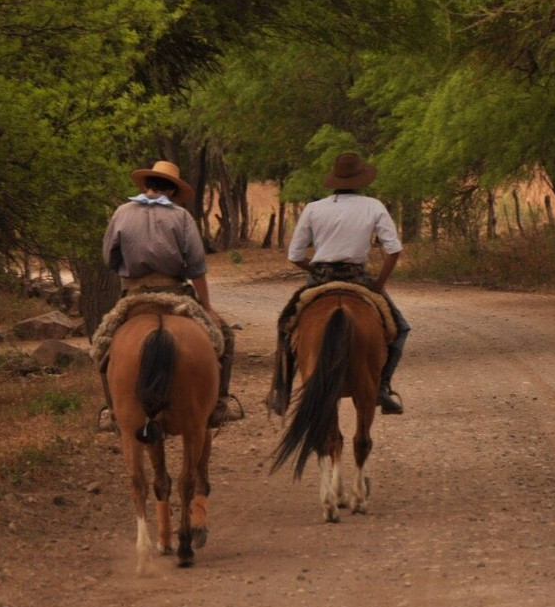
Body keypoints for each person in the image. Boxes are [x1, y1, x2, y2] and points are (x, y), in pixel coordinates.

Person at [268, 152, 410, 415]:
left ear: (334, 180)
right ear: (361, 180)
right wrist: (378, 284)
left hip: (320, 278)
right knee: (400, 328)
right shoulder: (373, 206)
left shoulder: (314, 209)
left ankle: (282, 392)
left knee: (285, 327)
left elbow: (295, 256)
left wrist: (316, 269)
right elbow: (393, 250)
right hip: (357, 277)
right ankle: (382, 387)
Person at [100, 160, 238, 426]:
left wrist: (130, 272)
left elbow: (109, 258)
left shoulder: (121, 212)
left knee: (102, 346)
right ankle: (219, 404)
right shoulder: (181, 217)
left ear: (147, 185)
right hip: (174, 293)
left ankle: (112, 411)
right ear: (173, 191)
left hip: (134, 293)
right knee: (226, 338)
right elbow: (196, 266)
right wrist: (207, 307)